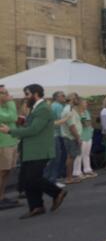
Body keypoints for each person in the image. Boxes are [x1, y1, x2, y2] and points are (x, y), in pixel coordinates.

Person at [0, 84, 67, 219]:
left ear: (35, 94)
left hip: (39, 150)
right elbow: (32, 126)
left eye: (27, 94)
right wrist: (22, 122)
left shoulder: (43, 109)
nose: (25, 97)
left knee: (33, 178)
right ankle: (36, 207)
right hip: (31, 150)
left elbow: (34, 130)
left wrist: (10, 130)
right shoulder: (36, 108)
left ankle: (57, 192)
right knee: (27, 179)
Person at [0, 85, 21, 210]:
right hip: (2, 145)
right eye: (3, 93)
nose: (7, 95)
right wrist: (11, 101)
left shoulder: (5, 106)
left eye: (7, 92)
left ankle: (2, 197)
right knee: (1, 172)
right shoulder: (8, 105)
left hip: (11, 143)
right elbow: (13, 117)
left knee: (6, 171)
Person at [60, 93, 83, 184]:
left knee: (71, 156)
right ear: (73, 99)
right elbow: (72, 126)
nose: (79, 100)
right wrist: (77, 138)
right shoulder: (68, 110)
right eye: (77, 98)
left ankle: (69, 177)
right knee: (70, 157)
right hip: (71, 137)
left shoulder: (70, 109)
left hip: (70, 137)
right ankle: (69, 178)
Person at [44, 91, 66, 183]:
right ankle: (50, 180)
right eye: (62, 96)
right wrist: (66, 118)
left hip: (55, 135)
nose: (64, 97)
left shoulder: (54, 107)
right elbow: (56, 122)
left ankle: (51, 179)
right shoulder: (57, 106)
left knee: (55, 158)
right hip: (55, 135)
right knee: (55, 159)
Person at [72, 98, 97, 179]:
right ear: (79, 104)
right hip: (81, 136)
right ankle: (77, 172)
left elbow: (89, 123)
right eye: (84, 103)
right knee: (79, 155)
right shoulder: (75, 113)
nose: (86, 105)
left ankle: (87, 170)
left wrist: (89, 125)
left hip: (88, 135)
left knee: (86, 154)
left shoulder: (86, 112)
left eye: (86, 103)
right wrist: (86, 123)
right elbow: (84, 124)